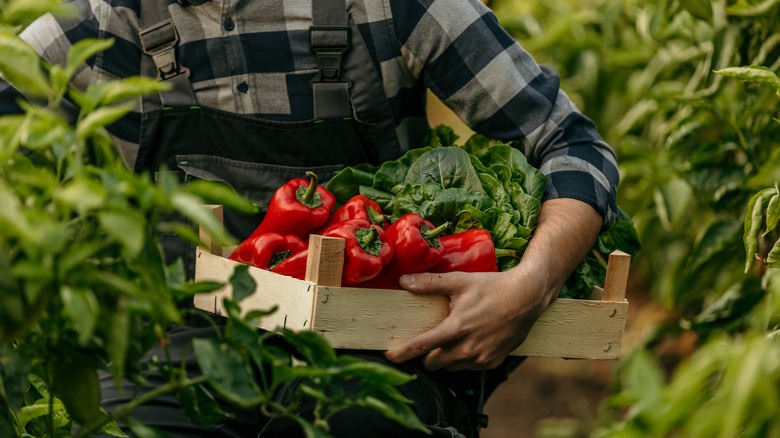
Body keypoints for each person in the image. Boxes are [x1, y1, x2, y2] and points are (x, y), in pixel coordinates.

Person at [0, 0, 618, 436]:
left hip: (371, 345)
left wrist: (530, 284)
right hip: (177, 348)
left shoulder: (388, 7)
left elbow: (572, 145)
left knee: (362, 423)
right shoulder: (108, 21)